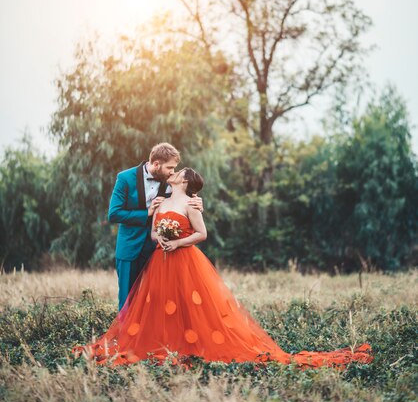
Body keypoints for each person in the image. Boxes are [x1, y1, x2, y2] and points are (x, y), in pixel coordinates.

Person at [73, 167, 373, 368]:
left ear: (186, 181)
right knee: (162, 306)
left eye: (178, 173)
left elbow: (202, 234)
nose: (174, 173)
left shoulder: (192, 204)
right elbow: (152, 231)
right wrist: (160, 238)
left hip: (184, 260)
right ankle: (163, 345)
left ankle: (193, 346)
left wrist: (177, 243)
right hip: (159, 261)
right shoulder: (161, 201)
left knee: (194, 306)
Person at [108, 143, 203, 310]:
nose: (173, 172)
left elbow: (186, 194)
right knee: (127, 299)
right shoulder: (125, 178)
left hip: (159, 251)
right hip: (130, 247)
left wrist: (198, 202)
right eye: (170, 167)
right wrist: (147, 212)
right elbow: (114, 213)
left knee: (157, 299)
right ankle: (125, 335)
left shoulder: (169, 181)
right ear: (157, 164)